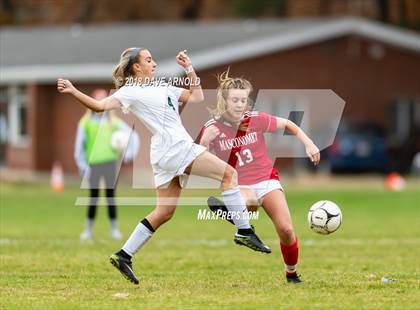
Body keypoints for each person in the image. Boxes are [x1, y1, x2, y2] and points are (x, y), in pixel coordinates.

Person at [57, 48, 270, 285]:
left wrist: (189, 68)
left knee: (164, 212)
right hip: (175, 148)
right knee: (229, 174)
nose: (154, 63)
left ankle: (124, 255)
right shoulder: (130, 91)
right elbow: (98, 106)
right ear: (136, 67)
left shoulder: (162, 86)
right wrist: (73, 90)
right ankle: (244, 230)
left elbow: (197, 97)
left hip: (163, 153)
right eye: (149, 60)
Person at [198, 70, 320, 284]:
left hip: (267, 179)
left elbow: (288, 124)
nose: (239, 105)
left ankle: (291, 273)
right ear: (224, 101)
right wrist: (204, 143)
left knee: (286, 230)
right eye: (234, 100)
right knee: (249, 202)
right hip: (239, 183)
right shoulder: (211, 128)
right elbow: (197, 159)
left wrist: (308, 143)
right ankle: (235, 213)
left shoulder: (255, 119)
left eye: (243, 100)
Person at [74, 88, 140, 241]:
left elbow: (133, 136)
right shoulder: (85, 123)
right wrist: (82, 165)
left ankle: (114, 229)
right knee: (94, 197)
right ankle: (88, 231)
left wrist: (129, 154)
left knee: (110, 196)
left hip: (110, 164)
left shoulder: (114, 122)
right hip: (93, 165)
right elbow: (79, 146)